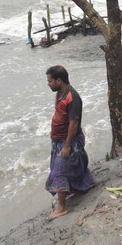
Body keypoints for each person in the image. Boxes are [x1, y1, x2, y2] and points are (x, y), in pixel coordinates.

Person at [45, 65, 95, 220]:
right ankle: (83, 186)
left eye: (50, 81)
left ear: (59, 80)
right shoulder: (60, 93)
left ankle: (61, 208)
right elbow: (60, 115)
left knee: (60, 171)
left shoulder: (72, 98)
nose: (48, 84)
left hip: (69, 141)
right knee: (66, 167)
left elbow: (73, 123)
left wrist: (67, 146)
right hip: (59, 139)